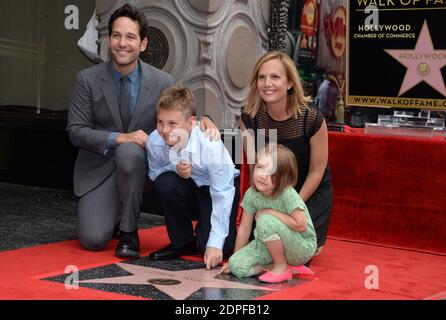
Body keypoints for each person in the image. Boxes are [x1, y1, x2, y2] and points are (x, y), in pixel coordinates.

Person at [66, 4, 218, 259]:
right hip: (98, 168)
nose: (122, 43)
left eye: (130, 37)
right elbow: (76, 131)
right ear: (109, 39)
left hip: (142, 169)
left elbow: (182, 112)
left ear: (143, 44)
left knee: (129, 153)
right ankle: (114, 214)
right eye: (116, 35)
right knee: (93, 240)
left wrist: (206, 119)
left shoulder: (162, 81)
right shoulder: (87, 79)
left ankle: (128, 231)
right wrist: (121, 137)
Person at [240, 51, 333, 256]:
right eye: (261, 77)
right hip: (269, 193)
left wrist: (292, 206)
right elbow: (254, 168)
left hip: (307, 194)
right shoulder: (249, 118)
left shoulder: (312, 118)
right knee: (258, 247)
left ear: (290, 82)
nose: (267, 83)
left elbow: (317, 171)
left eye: (275, 77)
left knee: (297, 254)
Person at [147, 85, 240, 269]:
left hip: (215, 189)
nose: (164, 130)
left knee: (221, 247)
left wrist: (214, 244)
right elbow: (153, 173)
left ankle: (211, 234)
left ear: (191, 123)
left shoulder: (210, 145)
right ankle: (182, 243)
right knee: (164, 183)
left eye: (172, 123)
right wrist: (176, 168)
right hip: (186, 186)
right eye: (160, 122)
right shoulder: (154, 141)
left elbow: (223, 192)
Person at [220, 144, 316, 283]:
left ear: (283, 177)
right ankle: (283, 266)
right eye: (260, 167)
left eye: (272, 173)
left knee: (265, 220)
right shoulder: (252, 194)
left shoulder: (288, 193)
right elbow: (245, 229)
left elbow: (301, 225)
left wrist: (271, 212)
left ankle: (281, 267)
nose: (263, 175)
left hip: (300, 246)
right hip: (267, 245)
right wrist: (236, 256)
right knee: (236, 265)